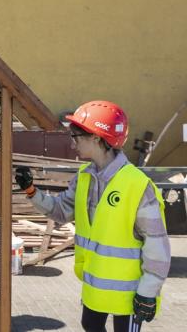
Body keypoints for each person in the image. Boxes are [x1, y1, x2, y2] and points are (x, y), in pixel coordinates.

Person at [15, 101, 170, 332]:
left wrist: (148, 292)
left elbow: (157, 247)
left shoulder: (138, 186)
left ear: (97, 138)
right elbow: (61, 211)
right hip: (94, 287)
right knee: (90, 325)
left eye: (76, 135)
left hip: (129, 294)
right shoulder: (84, 178)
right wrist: (31, 191)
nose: (72, 141)